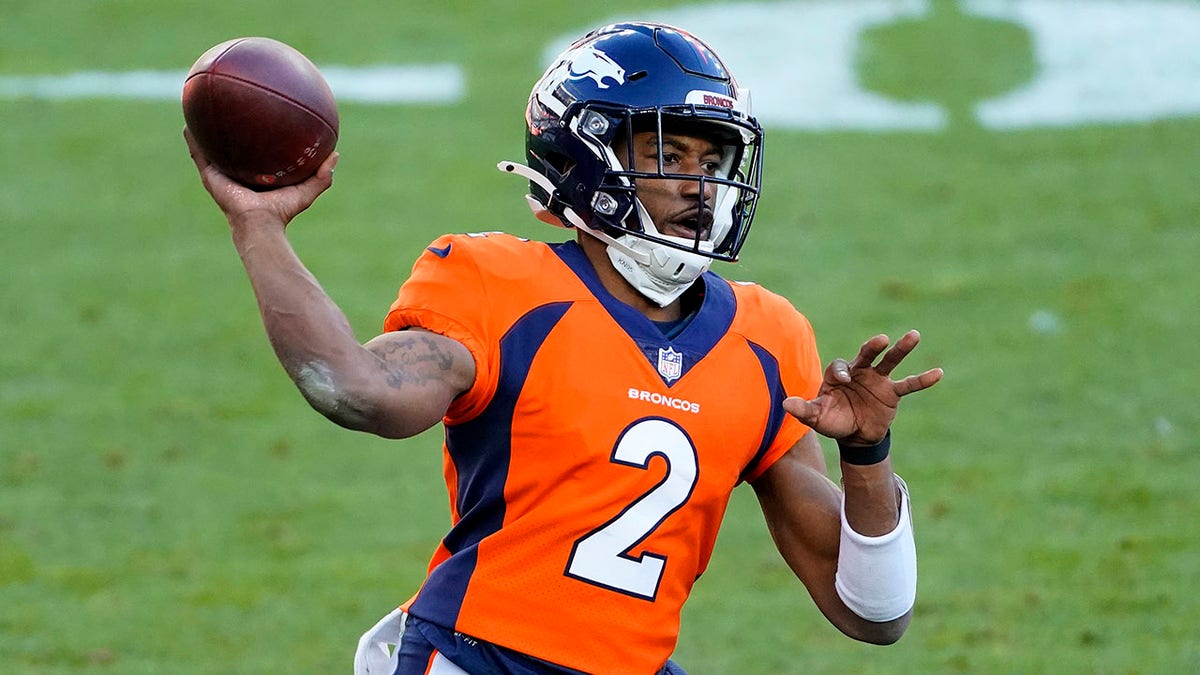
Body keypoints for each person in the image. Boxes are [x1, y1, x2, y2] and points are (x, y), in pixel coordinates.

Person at [186, 21, 943, 675]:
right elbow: (361, 391)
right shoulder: (499, 282)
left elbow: (871, 613)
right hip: (477, 656)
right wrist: (260, 228)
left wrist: (868, 457)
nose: (699, 188)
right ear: (586, 158)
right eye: (669, 156)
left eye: (711, 163)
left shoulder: (767, 336)